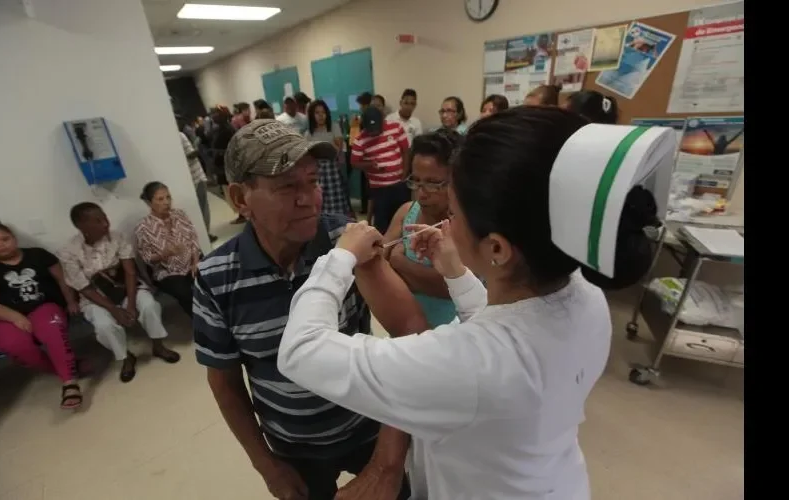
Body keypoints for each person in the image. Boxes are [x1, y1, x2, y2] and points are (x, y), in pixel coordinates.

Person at [276, 106, 659, 499]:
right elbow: (510, 331)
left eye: (454, 214)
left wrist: (339, 258)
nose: (444, 222)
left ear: (496, 247)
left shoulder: (466, 364)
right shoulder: (584, 294)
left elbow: (301, 350)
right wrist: (457, 273)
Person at [193, 119, 425, 500]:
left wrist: (388, 462)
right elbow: (226, 385)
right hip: (292, 448)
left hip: (369, 429)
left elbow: (412, 334)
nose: (309, 199)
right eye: (287, 187)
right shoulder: (216, 278)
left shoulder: (347, 243)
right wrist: (267, 468)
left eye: (312, 181)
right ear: (239, 198)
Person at [58, 202, 181, 383]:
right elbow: (85, 288)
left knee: (149, 306)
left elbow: (130, 271)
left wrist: (130, 304)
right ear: (82, 226)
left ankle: (158, 345)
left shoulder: (117, 238)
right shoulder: (68, 252)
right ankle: (125, 357)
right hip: (95, 298)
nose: (106, 223)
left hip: (126, 288)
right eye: (98, 221)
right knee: (104, 326)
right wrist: (114, 310)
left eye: (105, 217)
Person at [0, 219, 85, 410]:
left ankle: (69, 382)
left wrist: (71, 301)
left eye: (4, 239)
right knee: (17, 346)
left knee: (53, 330)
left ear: (13, 237)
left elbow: (63, 281)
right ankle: (64, 367)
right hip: (3, 318)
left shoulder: (38, 255)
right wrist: (15, 317)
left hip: (44, 307)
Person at [383, 130, 463, 327]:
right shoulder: (406, 213)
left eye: (433, 183)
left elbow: (455, 287)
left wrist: (399, 262)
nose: (422, 193)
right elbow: (378, 266)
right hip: (408, 331)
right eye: (416, 181)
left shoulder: (465, 224)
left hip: (453, 333)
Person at [135, 182, 201, 317]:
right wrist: (165, 254)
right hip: (167, 272)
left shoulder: (180, 215)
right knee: (186, 293)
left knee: (211, 279)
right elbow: (146, 258)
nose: (166, 202)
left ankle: (221, 316)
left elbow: (193, 239)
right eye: (160, 199)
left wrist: (196, 261)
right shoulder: (143, 227)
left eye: (168, 197)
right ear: (149, 202)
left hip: (191, 262)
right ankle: (202, 323)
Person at [350, 106, 411, 234]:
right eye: (371, 130)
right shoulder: (360, 140)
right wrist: (370, 165)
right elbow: (354, 162)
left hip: (399, 185)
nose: (374, 133)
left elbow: (406, 151)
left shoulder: (396, 128)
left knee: (404, 221)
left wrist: (404, 174)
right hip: (379, 189)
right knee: (382, 225)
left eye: (377, 129)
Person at [305, 99, 354, 218]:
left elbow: (338, 148)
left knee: (337, 199)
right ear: (312, 115)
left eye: (323, 112)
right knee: (321, 199)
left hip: (333, 168)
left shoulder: (333, 127)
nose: (321, 116)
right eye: (317, 113)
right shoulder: (308, 133)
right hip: (317, 171)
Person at [176, 119, 217, 242]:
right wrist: (197, 147)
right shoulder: (180, 135)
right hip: (195, 176)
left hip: (187, 177)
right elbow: (191, 154)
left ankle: (201, 235)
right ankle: (205, 235)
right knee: (203, 206)